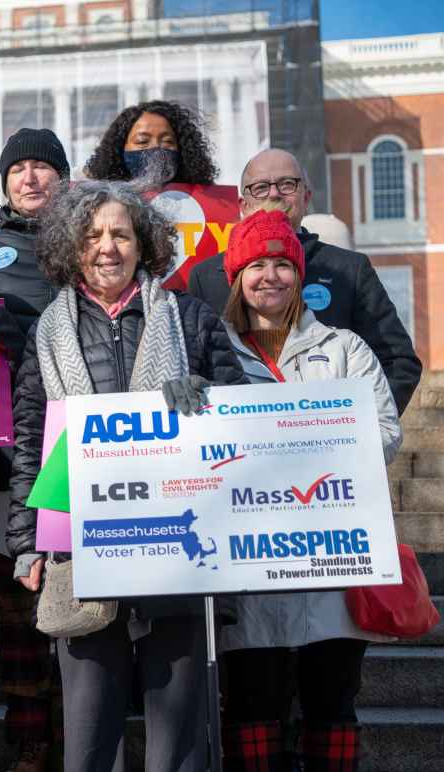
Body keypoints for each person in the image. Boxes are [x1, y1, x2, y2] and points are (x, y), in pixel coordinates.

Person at [7, 181, 246, 772]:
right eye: (92, 235)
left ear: (145, 244)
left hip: (178, 547)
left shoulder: (189, 317)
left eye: (120, 233)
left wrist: (208, 400)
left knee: (180, 728)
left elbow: (241, 415)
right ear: (72, 247)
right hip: (85, 548)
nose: (107, 246)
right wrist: (24, 541)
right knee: (88, 729)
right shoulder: (48, 329)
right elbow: (31, 439)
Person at [215, 208, 401, 772]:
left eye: (281, 264)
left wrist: (315, 446)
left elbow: (387, 432)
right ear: (236, 276)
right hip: (248, 557)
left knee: (332, 701)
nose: (269, 276)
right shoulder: (213, 351)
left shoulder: (344, 349)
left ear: (299, 276)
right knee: (252, 702)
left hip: (332, 558)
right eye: (255, 265)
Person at [0, 127, 71, 772]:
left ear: (63, 176)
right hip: (6, 459)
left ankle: (83, 730)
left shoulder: (90, 243)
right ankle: (28, 737)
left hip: (83, 453)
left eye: (42, 166)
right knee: (16, 611)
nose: (29, 177)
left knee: (85, 604)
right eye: (17, 168)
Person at [187, 148, 422, 414]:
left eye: (288, 184)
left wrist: (361, 427)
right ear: (243, 204)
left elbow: (398, 361)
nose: (274, 193)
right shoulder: (205, 276)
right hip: (243, 441)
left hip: (331, 442)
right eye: (261, 187)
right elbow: (196, 364)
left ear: (306, 196)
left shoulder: (349, 269)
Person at [83, 100, 218, 186]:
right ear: (119, 148)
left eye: (167, 141)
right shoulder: (96, 202)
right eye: (142, 141)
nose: (155, 147)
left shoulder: (208, 204)